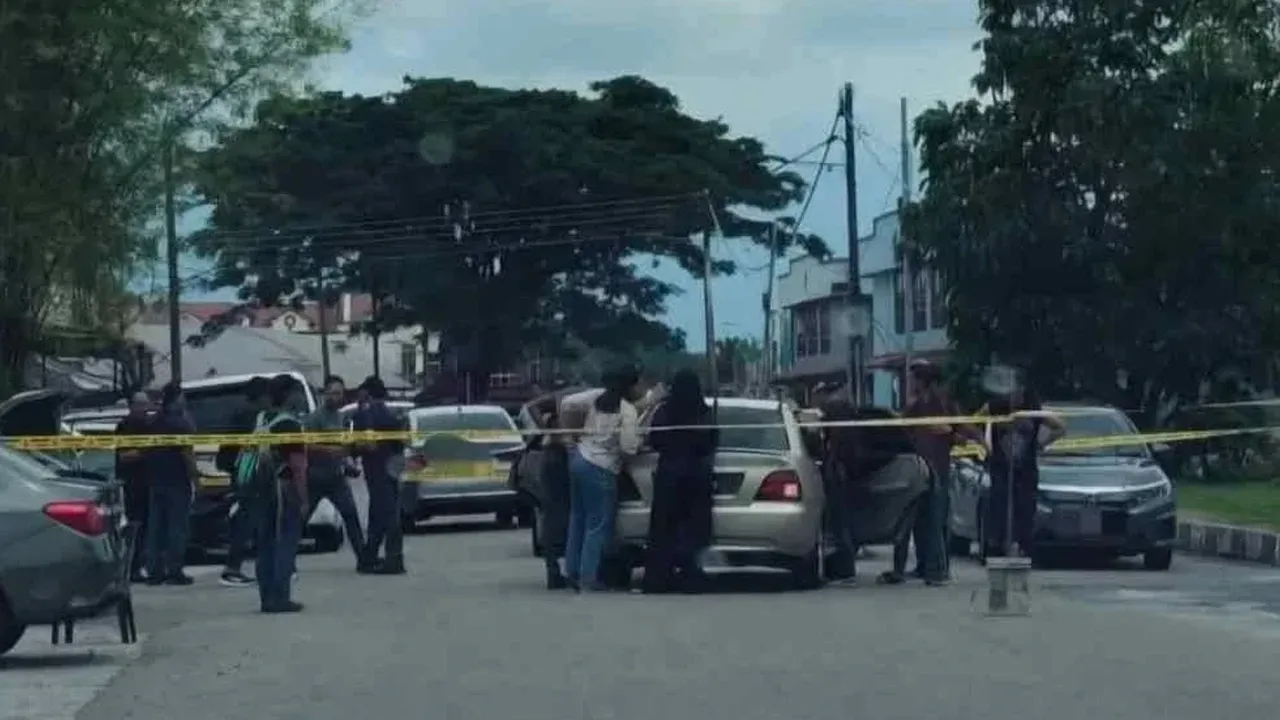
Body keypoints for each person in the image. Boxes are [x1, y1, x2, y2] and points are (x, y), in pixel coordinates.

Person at [899, 361, 983, 585]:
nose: (912, 383)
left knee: (937, 520)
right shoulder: (916, 406)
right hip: (920, 470)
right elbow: (904, 428)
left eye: (915, 379)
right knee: (921, 520)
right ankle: (924, 565)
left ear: (924, 381)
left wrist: (980, 441)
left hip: (939, 469)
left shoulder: (942, 403)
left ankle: (938, 570)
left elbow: (960, 427)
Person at [563, 366, 642, 592]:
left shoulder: (598, 402)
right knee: (597, 524)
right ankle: (588, 578)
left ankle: (573, 572)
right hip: (601, 467)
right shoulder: (626, 411)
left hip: (579, 458)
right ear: (630, 386)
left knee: (577, 518)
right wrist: (639, 444)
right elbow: (628, 447)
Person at [642, 369, 717, 594]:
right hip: (696, 475)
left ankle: (659, 577)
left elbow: (654, 440)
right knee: (692, 528)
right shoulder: (704, 412)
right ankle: (690, 575)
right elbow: (711, 442)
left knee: (664, 528)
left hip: (669, 475)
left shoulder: (664, 412)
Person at [982, 372, 1066, 561]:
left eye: (1019, 390)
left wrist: (1042, 444)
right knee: (999, 505)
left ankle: (1024, 546)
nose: (1015, 395)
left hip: (1025, 467)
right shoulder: (996, 407)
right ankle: (996, 545)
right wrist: (983, 441)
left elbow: (1060, 427)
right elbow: (975, 420)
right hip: (1000, 466)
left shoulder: (1033, 410)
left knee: (1025, 508)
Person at [249, 374, 309, 613]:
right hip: (283, 488)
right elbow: (298, 465)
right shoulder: (290, 424)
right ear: (289, 395)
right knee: (284, 542)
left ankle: (266, 597)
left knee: (264, 543)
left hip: (259, 487)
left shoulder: (261, 419)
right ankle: (280, 596)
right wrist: (303, 498)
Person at [305, 375, 366, 569]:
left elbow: (342, 447)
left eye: (340, 393)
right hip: (314, 477)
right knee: (299, 520)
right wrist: (328, 450)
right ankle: (284, 561)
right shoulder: (315, 418)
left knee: (351, 516)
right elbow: (305, 446)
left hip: (336, 477)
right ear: (325, 394)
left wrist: (348, 463)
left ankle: (363, 560)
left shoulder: (340, 416)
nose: (337, 397)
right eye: (333, 393)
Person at [215, 376, 269, 587]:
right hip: (250, 477)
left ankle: (240, 566)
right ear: (263, 396)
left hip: (241, 475)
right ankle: (233, 568)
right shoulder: (254, 418)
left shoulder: (241, 415)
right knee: (247, 523)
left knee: (248, 522)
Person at [353, 375, 408, 575]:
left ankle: (393, 559)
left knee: (385, 514)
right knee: (380, 513)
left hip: (375, 469)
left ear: (366, 393)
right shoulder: (391, 415)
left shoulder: (365, 414)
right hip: (391, 468)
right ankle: (370, 556)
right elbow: (400, 446)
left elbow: (363, 444)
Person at [145, 382, 198, 586]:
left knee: (156, 528)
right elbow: (187, 454)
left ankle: (154, 571)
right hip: (177, 481)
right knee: (177, 528)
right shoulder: (180, 423)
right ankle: (175, 570)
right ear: (177, 399)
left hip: (156, 481)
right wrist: (197, 480)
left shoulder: (154, 421)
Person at [115, 392, 154, 583]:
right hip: (132, 485)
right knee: (135, 527)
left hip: (148, 483)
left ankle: (142, 565)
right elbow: (123, 456)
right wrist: (148, 452)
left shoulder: (149, 425)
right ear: (132, 406)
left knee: (146, 527)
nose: (146, 408)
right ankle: (133, 567)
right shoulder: (125, 426)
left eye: (147, 404)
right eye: (142, 405)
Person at [537, 410, 572, 589]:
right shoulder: (554, 449)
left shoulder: (547, 448)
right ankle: (559, 572)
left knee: (552, 527)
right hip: (556, 486)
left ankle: (554, 572)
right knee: (559, 526)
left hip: (549, 492)